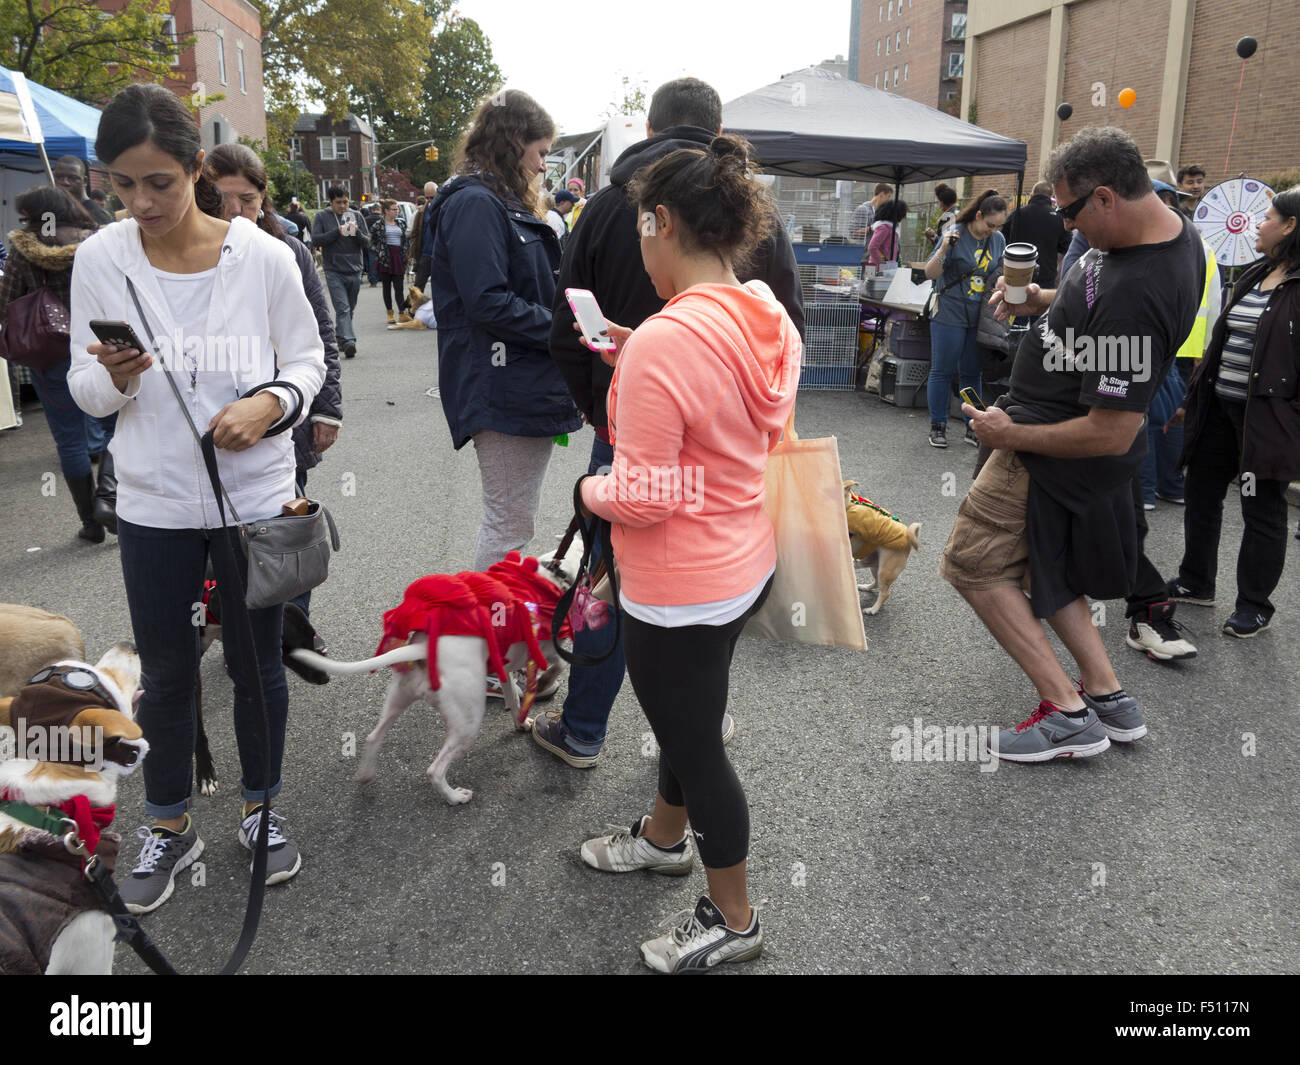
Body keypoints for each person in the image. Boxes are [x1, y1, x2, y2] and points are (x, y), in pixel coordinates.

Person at [66, 83, 325, 911]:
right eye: (122, 184)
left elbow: (308, 361)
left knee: (258, 667)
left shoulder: (265, 257)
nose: (140, 202)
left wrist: (269, 404)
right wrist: (110, 380)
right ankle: (170, 823)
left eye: (159, 183)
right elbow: (80, 385)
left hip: (254, 499)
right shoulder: (101, 259)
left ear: (197, 169)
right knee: (169, 673)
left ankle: (262, 807)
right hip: (153, 504)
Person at [575, 134, 799, 974]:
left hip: (676, 580)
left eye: (640, 226)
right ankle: (665, 838)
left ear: (661, 219)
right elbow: (756, 427)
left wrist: (585, 495)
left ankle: (733, 916)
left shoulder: (672, 339)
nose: (639, 241)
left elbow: (645, 494)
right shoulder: (763, 312)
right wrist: (646, 351)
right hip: (742, 560)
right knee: (688, 718)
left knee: (697, 743)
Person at [541, 75, 804, 769]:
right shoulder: (757, 235)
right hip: (736, 473)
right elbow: (783, 338)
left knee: (617, 586)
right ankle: (691, 738)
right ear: (716, 137)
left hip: (633, 454)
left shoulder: (602, 211)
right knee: (705, 624)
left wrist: (613, 417)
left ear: (652, 134)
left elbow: (567, 337)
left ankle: (590, 730)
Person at [945, 125, 1204, 764]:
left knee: (972, 564)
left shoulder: (1140, 293)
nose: (1068, 227)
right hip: (1043, 433)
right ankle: (1108, 695)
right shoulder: (1149, 233)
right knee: (1042, 564)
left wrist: (1010, 434)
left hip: (1043, 449)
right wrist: (1042, 299)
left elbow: (1112, 427)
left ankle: (1066, 715)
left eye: (1070, 211)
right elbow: (1093, 307)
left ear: (1107, 197)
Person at [425, 89, 580, 573]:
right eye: (540, 152)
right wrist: (561, 327)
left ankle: (488, 630)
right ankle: (485, 636)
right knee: (509, 523)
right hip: (503, 385)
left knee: (511, 521)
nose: (542, 166)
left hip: (513, 381)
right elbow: (487, 301)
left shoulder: (489, 199)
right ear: (514, 142)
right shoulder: (476, 202)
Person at [208, 143, 343, 652]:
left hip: (284, 417)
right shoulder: (191, 255)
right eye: (220, 199)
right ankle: (234, 630)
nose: (234, 212)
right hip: (211, 429)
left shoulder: (288, 252)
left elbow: (319, 337)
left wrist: (326, 410)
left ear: (263, 198)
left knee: (286, 535)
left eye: (246, 199)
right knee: (221, 542)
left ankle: (291, 632)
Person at [1167, 187, 1300, 638]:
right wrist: (1192, 399)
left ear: (1290, 226)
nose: (1259, 225)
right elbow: (1222, 340)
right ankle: (1197, 579)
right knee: (1202, 492)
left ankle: (1254, 605)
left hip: (1263, 421)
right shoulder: (1254, 273)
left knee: (1260, 508)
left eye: (1267, 217)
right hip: (1219, 408)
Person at [0, 187, 114, 542]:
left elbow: (6, 301)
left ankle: (90, 525)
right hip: (99, 346)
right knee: (114, 428)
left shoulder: (23, 247)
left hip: (51, 356)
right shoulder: (93, 239)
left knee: (69, 441)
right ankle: (109, 502)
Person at [921, 188, 1008, 448]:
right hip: (949, 309)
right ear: (979, 215)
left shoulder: (998, 239)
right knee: (943, 369)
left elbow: (1000, 270)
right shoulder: (956, 233)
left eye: (998, 226)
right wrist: (945, 247)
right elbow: (930, 272)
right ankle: (938, 425)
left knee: (973, 372)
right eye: (990, 224)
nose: (992, 230)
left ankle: (974, 426)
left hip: (979, 314)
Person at [311, 185, 369, 358]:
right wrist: (337, 232)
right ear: (330, 202)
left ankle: (340, 337)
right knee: (342, 308)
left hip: (354, 268)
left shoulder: (356, 215)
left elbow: (367, 242)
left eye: (345, 202)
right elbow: (316, 239)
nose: (343, 206)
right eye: (338, 203)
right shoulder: (322, 216)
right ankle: (350, 341)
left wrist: (357, 233)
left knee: (349, 308)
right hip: (333, 269)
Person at [1003, 180, 1070, 289]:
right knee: (1042, 305)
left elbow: (1003, 240)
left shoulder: (1017, 214)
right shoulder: (1059, 218)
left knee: (1016, 303)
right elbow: (1065, 247)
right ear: (1050, 196)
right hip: (1046, 275)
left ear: (1032, 194)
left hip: (1018, 271)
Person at [368, 198, 411, 324]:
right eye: (394, 209)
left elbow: (406, 240)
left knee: (399, 288)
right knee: (386, 288)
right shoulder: (378, 225)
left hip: (398, 258)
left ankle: (402, 313)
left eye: (397, 209)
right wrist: (378, 251)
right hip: (385, 258)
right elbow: (369, 241)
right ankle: (390, 313)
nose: (396, 211)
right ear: (386, 211)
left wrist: (407, 253)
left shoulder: (401, 223)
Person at [53, 156, 114, 226]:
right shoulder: (53, 211)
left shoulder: (96, 215)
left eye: (72, 178)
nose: (65, 182)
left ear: (85, 181)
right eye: (59, 177)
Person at [408, 180, 439, 305]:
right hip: (425, 253)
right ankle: (411, 311)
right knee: (418, 286)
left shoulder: (445, 208)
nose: (430, 200)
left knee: (440, 286)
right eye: (427, 197)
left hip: (439, 254)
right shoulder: (421, 212)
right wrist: (413, 254)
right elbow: (414, 234)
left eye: (433, 197)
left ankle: (440, 312)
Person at [866, 197, 907, 266]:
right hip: (880, 269)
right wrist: (883, 264)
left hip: (888, 266)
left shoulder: (891, 227)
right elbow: (872, 248)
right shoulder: (884, 227)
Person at [925, 182, 959, 251]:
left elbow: (942, 244)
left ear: (942, 202)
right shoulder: (960, 212)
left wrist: (933, 237)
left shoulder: (948, 216)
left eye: (939, 201)